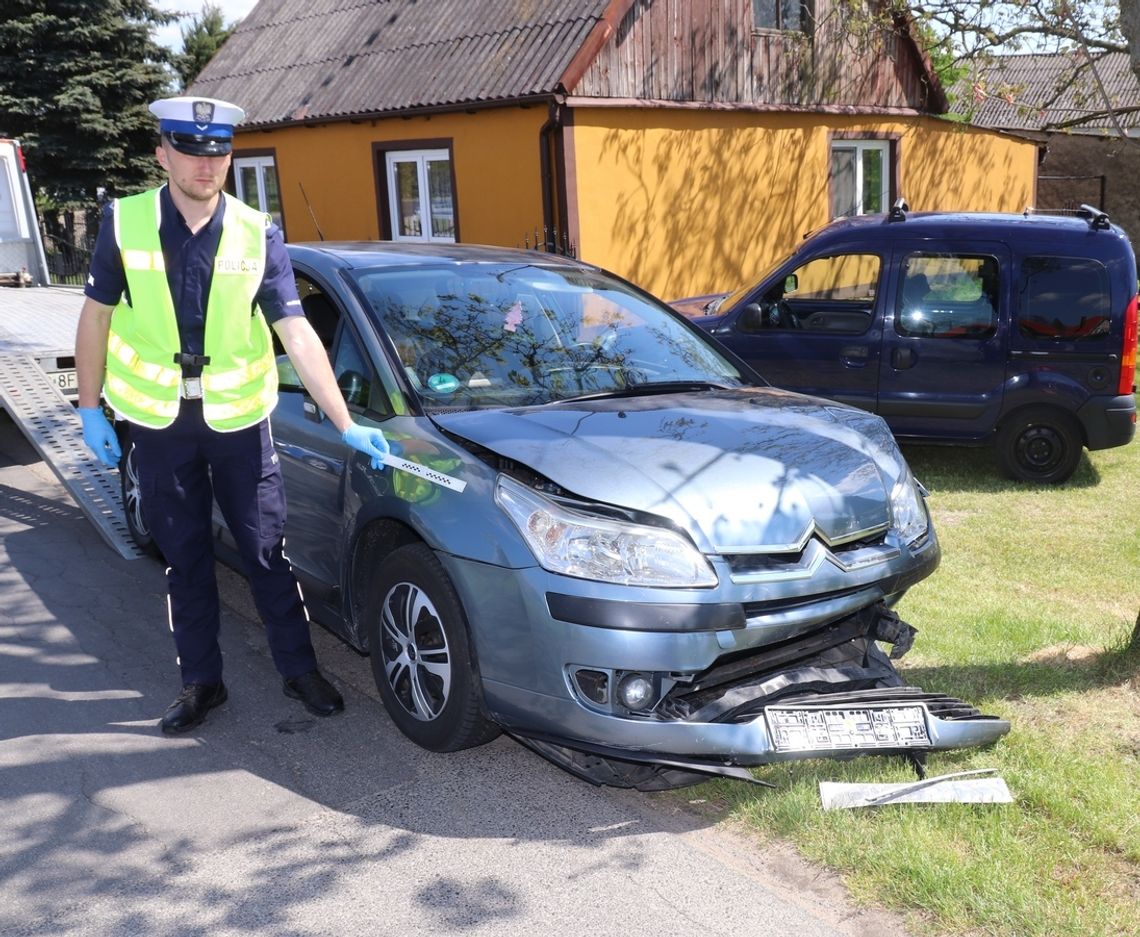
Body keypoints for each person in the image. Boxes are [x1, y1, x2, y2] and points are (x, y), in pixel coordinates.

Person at [74, 96, 391, 735]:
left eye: (217, 150)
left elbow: (296, 331)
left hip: (239, 424)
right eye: (190, 150)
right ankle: (201, 684)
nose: (205, 164)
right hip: (160, 426)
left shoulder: (257, 230)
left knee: (267, 551)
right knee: (184, 556)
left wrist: (342, 419)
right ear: (163, 154)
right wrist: (89, 408)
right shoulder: (124, 223)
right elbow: (96, 318)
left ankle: (299, 671)